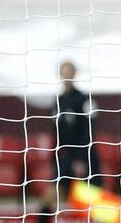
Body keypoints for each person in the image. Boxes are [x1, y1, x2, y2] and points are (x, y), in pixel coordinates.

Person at [39, 60, 104, 221]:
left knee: (94, 205)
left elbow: (88, 130)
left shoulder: (84, 99)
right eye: (64, 73)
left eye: (69, 73)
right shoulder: (58, 101)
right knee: (49, 196)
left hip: (85, 157)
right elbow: (56, 134)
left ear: (74, 74)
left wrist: (81, 159)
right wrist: (55, 160)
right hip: (66, 157)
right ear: (60, 75)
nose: (66, 76)